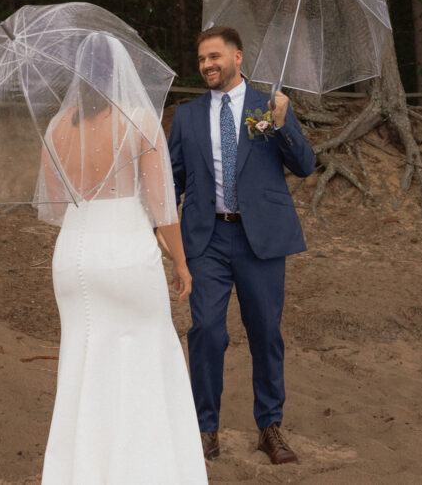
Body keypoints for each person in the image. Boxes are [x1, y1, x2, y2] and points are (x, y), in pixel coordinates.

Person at [36, 32, 208, 484]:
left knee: (83, 360)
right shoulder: (139, 122)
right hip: (125, 250)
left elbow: (54, 204)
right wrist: (181, 262)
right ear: (118, 74)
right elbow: (161, 207)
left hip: (73, 255)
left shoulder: (57, 128)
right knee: (145, 359)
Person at [168, 26, 315, 465]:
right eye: (201, 60)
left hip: (262, 239)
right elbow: (172, 179)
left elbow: (305, 166)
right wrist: (160, 227)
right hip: (206, 238)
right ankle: (205, 430)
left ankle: (269, 426)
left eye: (215, 56)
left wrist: (284, 123)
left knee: (266, 333)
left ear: (238, 57)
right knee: (207, 332)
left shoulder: (268, 107)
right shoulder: (187, 116)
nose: (207, 65)